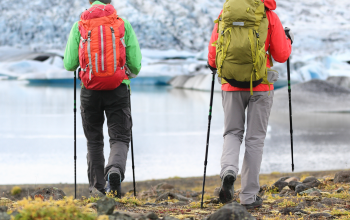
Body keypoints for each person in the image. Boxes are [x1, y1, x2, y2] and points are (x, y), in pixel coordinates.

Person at [207, 0, 293, 209]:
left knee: (232, 133)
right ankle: (248, 196)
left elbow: (213, 53)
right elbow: (281, 55)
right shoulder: (268, 14)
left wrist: (214, 66)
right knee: (254, 140)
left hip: (231, 85)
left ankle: (228, 170)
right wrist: (288, 40)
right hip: (261, 86)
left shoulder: (225, 12)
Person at [64, 0, 142, 197]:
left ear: (90, 1)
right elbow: (135, 65)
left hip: (89, 90)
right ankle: (115, 170)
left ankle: (97, 189)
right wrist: (125, 74)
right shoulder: (122, 24)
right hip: (118, 89)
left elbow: (69, 64)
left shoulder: (79, 25)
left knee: (94, 140)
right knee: (120, 137)